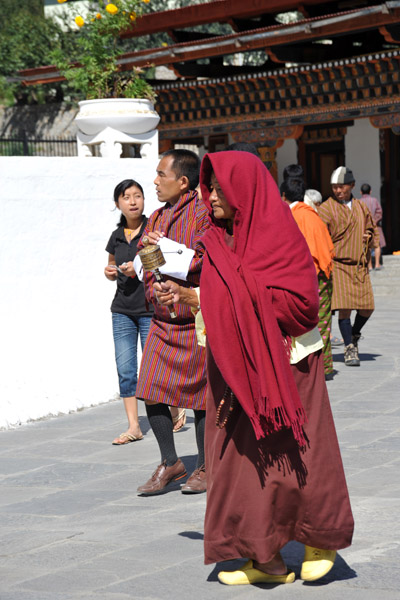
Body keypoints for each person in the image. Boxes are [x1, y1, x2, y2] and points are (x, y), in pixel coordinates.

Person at [155, 151, 354, 586]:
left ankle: (321, 539)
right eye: (209, 188)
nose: (211, 196)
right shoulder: (218, 237)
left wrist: (203, 299)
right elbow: (220, 285)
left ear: (244, 190)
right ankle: (265, 556)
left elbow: (300, 306)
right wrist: (188, 293)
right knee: (242, 461)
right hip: (236, 363)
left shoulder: (279, 235)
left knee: (304, 451)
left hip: (289, 364)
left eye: (218, 188)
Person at [134, 149, 210, 495]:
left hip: (195, 318)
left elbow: (202, 259)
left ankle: (206, 465)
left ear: (182, 181)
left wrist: (162, 249)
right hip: (162, 320)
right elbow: (144, 260)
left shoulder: (203, 213)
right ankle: (170, 461)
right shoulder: (157, 216)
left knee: (200, 397)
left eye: (161, 175)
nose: (154, 181)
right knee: (150, 388)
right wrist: (155, 286)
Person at [104, 179, 153, 445]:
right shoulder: (116, 236)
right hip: (122, 310)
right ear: (117, 204)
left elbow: (162, 263)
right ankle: (134, 426)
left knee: (152, 368)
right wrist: (109, 272)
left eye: (138, 196)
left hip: (149, 309)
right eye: (126, 197)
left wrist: (139, 268)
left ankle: (170, 410)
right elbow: (110, 266)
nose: (133, 201)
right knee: (126, 369)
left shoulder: (153, 229)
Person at [319, 167, 377, 367]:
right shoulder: (326, 208)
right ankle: (349, 348)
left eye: (341, 186)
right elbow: (320, 235)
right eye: (334, 187)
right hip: (339, 264)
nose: (337, 191)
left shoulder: (361, 207)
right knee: (344, 310)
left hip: (359, 266)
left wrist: (368, 237)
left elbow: (371, 227)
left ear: (352, 185)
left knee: (368, 308)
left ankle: (353, 334)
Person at [281, 176, 335, 379]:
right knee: (321, 321)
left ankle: (317, 366)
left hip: (304, 276)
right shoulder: (310, 214)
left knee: (308, 322)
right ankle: (325, 366)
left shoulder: (291, 215)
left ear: (284, 195)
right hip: (319, 273)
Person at [360, 183, 386, 270]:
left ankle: (370, 266)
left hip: (364, 227)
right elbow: (379, 212)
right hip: (375, 226)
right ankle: (377, 264)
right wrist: (374, 221)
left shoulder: (359, 202)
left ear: (361, 192)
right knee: (377, 244)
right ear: (370, 191)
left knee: (367, 245)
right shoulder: (374, 200)